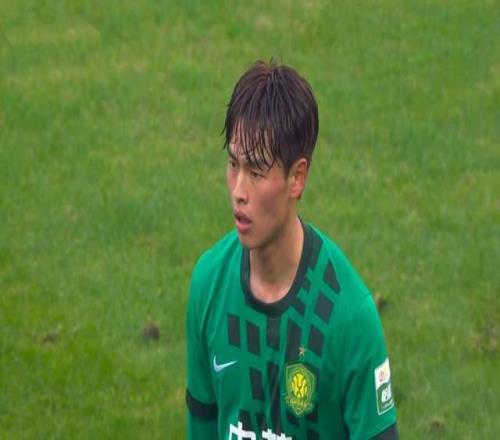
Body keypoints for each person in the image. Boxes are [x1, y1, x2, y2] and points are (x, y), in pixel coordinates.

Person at [185, 60, 398, 439]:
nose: (238, 191)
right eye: (233, 164)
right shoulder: (209, 283)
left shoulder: (348, 316)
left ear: (297, 177)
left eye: (256, 172)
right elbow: (201, 425)